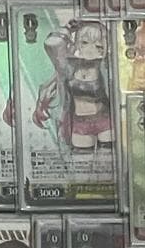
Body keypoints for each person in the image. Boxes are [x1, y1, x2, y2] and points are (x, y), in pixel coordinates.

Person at [33, 20, 112, 151]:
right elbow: (51, 44)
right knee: (82, 159)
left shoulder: (105, 67)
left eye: (98, 45)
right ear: (77, 44)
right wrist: (67, 29)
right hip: (79, 123)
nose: (90, 49)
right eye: (85, 42)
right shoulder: (69, 67)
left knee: (108, 159)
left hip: (105, 121)